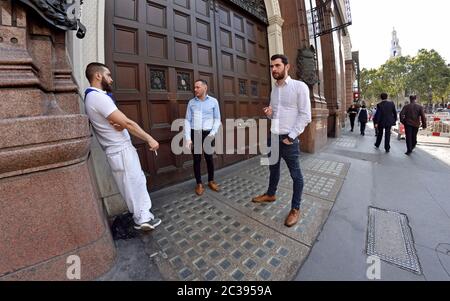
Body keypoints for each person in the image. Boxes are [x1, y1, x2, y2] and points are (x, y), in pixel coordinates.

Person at [84, 62, 161, 231]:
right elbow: (127, 122)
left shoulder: (94, 97)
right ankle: (143, 220)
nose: (111, 79)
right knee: (133, 184)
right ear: (98, 75)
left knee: (136, 181)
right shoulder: (97, 97)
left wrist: (120, 125)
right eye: (108, 75)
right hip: (120, 150)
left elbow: (116, 122)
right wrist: (149, 138)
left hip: (119, 150)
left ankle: (143, 216)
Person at [251, 54, 312, 227]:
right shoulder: (274, 90)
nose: (274, 69)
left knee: (296, 175)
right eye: (272, 66)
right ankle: (270, 194)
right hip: (274, 137)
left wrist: (291, 137)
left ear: (287, 67)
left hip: (289, 139)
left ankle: (295, 208)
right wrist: (270, 115)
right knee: (273, 169)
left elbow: (305, 115)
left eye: (277, 65)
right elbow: (276, 115)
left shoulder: (299, 87)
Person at [184, 80, 222, 196]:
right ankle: (199, 183)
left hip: (208, 133)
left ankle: (211, 181)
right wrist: (188, 138)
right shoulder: (191, 102)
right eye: (194, 87)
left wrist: (213, 133)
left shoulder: (213, 101)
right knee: (196, 159)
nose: (195, 89)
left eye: (197, 87)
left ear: (205, 88)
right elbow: (187, 120)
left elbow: (217, 119)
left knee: (209, 158)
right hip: (195, 133)